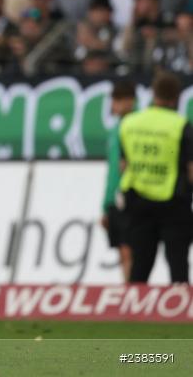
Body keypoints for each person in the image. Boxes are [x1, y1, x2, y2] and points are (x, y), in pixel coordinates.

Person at [119, 71, 193, 283]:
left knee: (140, 266)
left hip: (138, 202)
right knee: (178, 265)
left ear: (154, 94)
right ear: (176, 98)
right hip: (173, 202)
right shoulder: (181, 125)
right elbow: (191, 169)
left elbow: (124, 166)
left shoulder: (129, 123)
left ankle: (133, 312)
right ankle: (179, 311)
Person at [100, 79, 136, 282]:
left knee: (128, 248)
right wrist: (105, 205)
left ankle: (131, 293)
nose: (114, 106)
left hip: (129, 194)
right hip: (116, 197)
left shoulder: (133, 126)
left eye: (118, 101)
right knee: (122, 249)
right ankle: (128, 289)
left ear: (129, 101)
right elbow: (112, 171)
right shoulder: (115, 129)